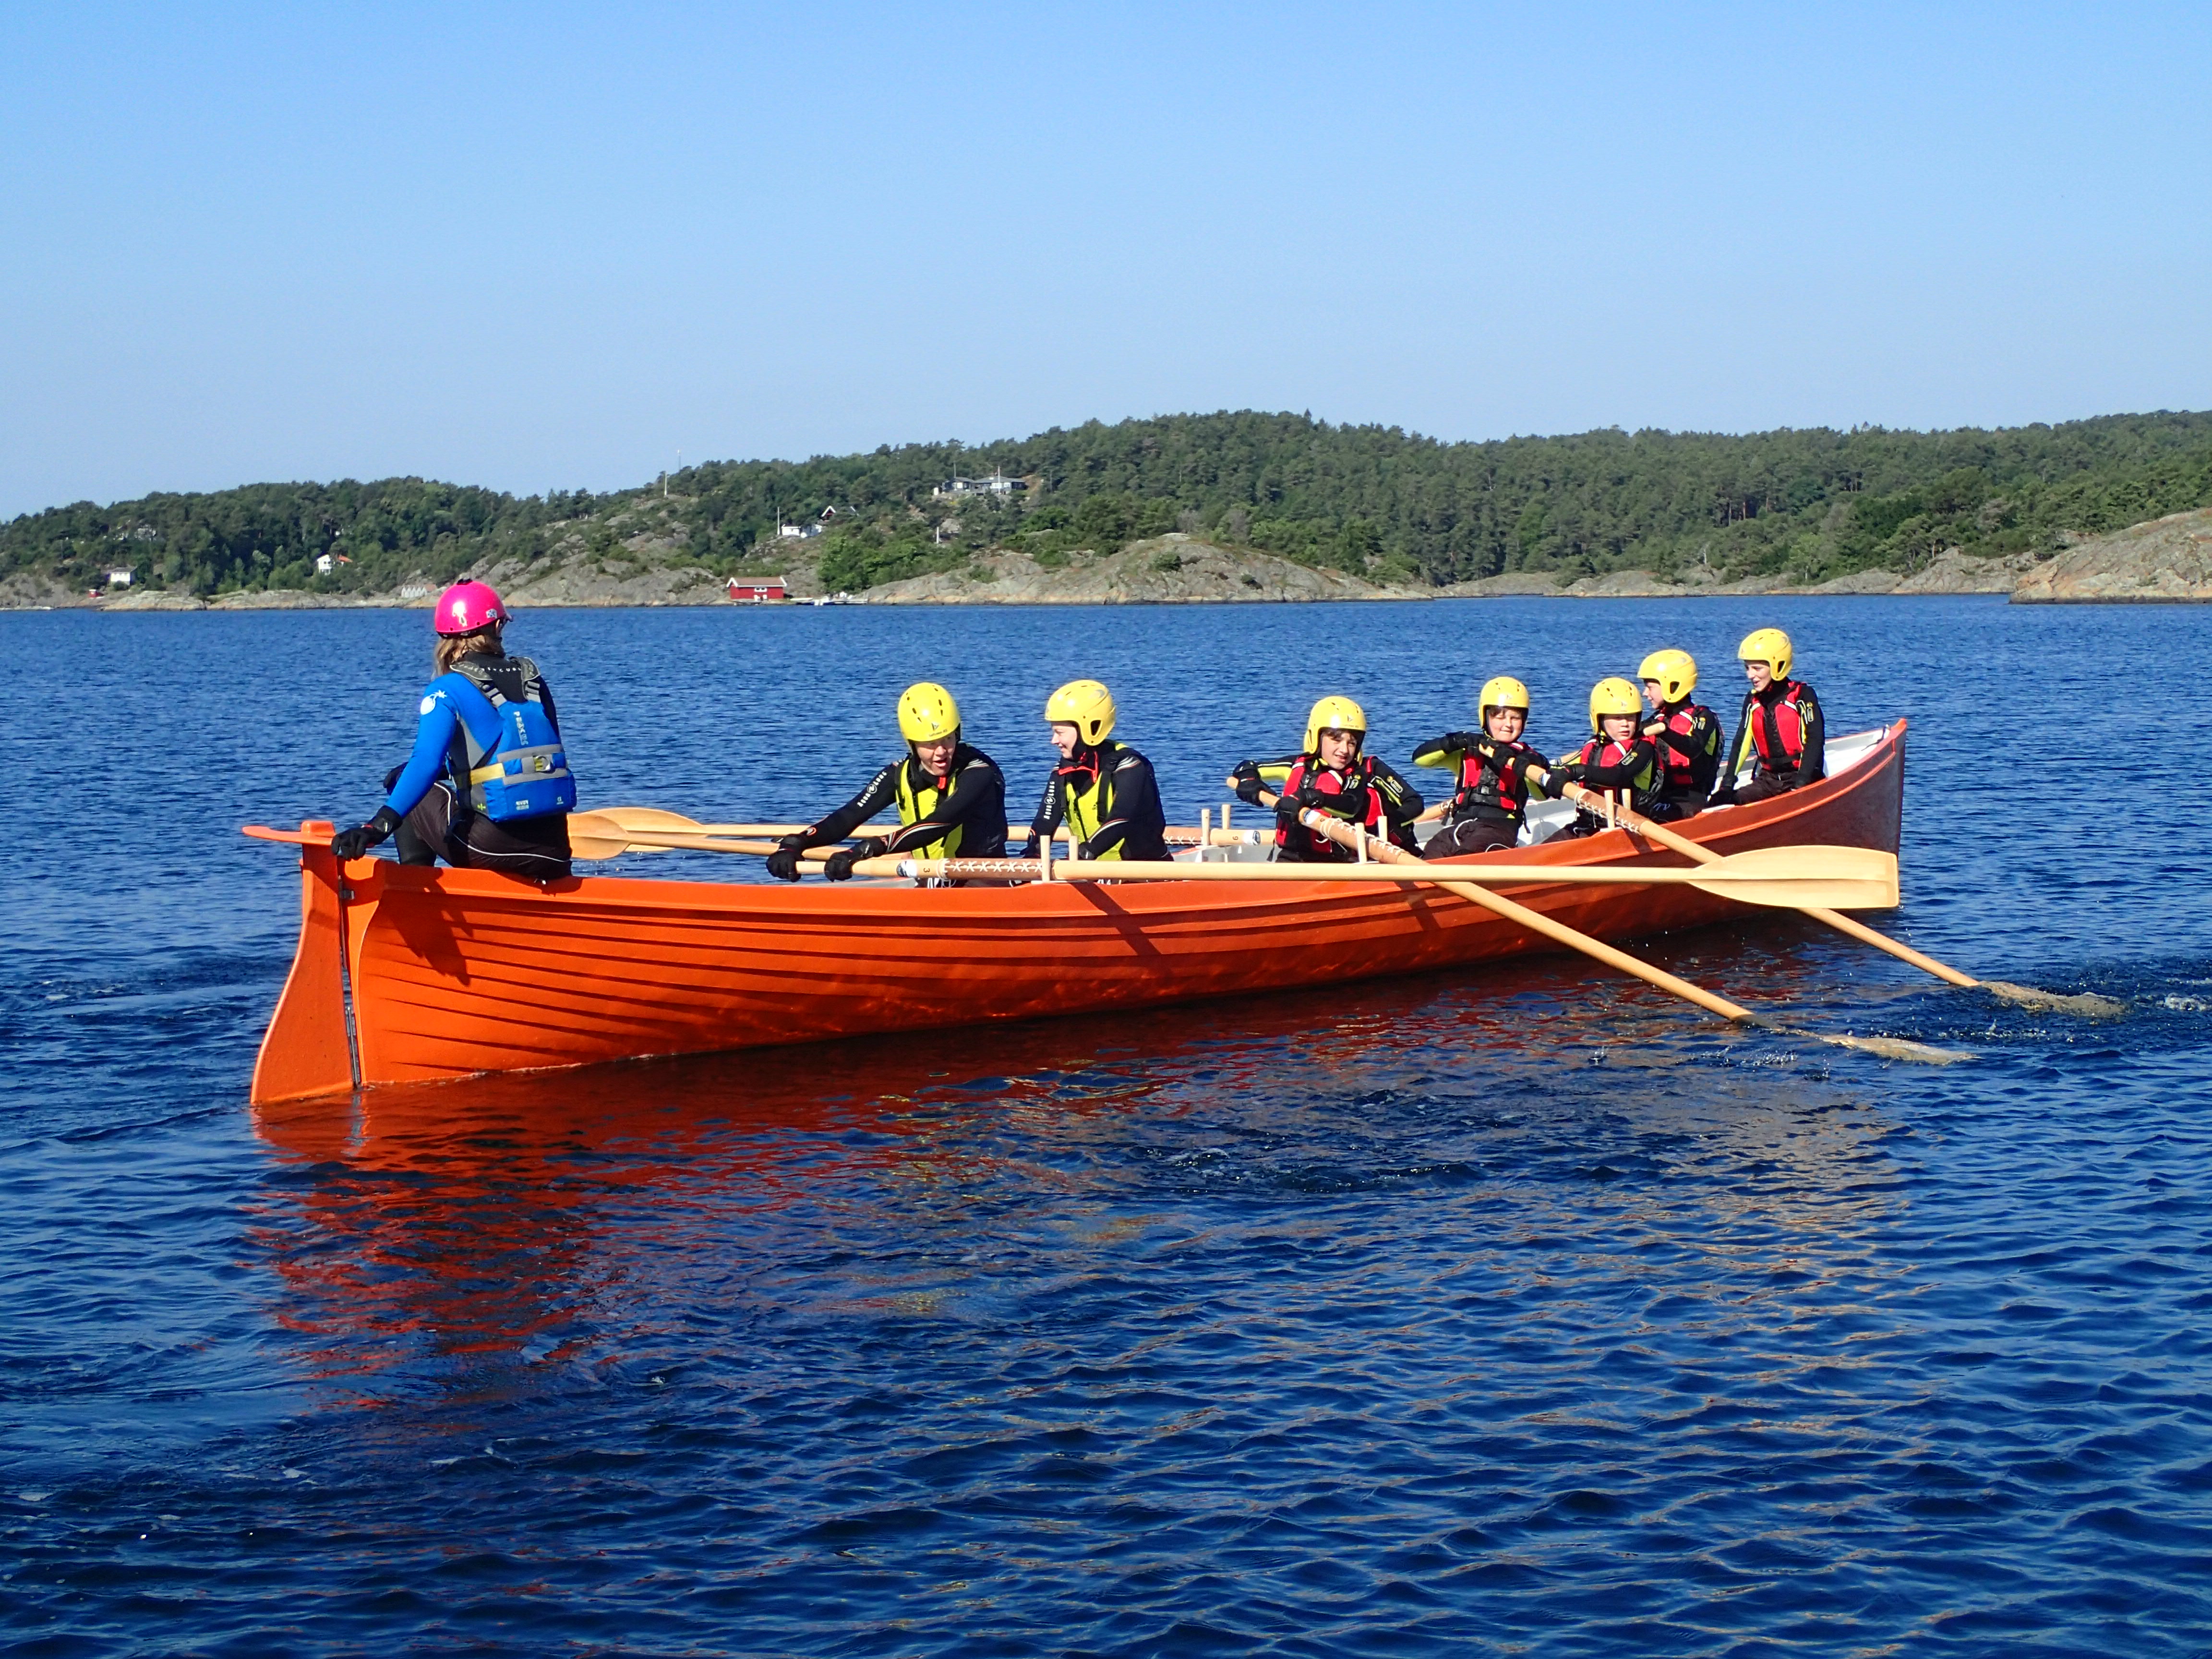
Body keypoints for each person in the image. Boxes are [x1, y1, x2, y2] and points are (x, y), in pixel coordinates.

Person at [330, 581, 575, 880]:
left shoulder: (445, 689)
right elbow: (520, 754)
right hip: (556, 852)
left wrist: (375, 828)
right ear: (497, 625)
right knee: (419, 777)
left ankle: (417, 896)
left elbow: (426, 764)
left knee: (403, 780)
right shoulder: (534, 682)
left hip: (493, 852)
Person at [767, 681, 1007, 881]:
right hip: (931, 881)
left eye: (948, 739)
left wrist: (866, 849)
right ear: (911, 743)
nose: (941, 752)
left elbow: (937, 824)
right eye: (930, 744)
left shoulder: (979, 773)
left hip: (981, 881)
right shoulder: (899, 774)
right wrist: (796, 842)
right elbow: (847, 817)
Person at [1230, 695, 1424, 863]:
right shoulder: (1298, 765)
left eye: (1352, 743)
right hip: (1294, 858)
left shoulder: (1363, 772)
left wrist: (1387, 826)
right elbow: (1247, 767)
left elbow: (1351, 805)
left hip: (1346, 861)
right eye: (1336, 740)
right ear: (1317, 737)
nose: (1344, 750)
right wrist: (1249, 781)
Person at [1027, 679, 1168, 863]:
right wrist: (1031, 857)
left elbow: (1121, 818)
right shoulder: (1062, 771)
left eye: (1060, 732)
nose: (1054, 740)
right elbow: (1045, 822)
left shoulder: (1130, 766)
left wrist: (1082, 854)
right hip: (1093, 873)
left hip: (1143, 874)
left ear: (1089, 728)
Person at [1409, 675, 1551, 856]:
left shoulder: (1526, 758)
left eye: (1515, 718)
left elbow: (1542, 794)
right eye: (1499, 716)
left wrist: (1524, 764)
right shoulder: (1467, 751)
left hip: (1498, 829)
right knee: (1431, 854)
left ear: (1524, 721)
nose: (1508, 724)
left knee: (1467, 855)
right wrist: (1456, 741)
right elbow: (1419, 759)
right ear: (1485, 717)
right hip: (1460, 826)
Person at [1713, 627, 1825, 805]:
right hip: (1768, 781)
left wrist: (1801, 784)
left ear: (1778, 666)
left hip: (1802, 778)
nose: (1751, 675)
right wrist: (1726, 786)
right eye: (1747, 668)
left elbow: (1815, 739)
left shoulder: (1802, 695)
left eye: (1757, 668)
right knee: (1719, 803)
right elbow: (1741, 743)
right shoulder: (1752, 701)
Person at [1553, 677, 1660, 837]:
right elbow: (1559, 767)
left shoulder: (1643, 748)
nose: (1625, 724)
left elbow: (1619, 774)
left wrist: (1576, 772)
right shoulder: (1594, 746)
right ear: (1600, 719)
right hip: (1588, 825)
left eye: (1631, 717)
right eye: (1617, 718)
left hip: (1628, 826)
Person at [1635, 648, 1724, 820]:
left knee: (1659, 816)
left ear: (1673, 685)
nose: (1645, 693)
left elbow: (1694, 747)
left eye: (1650, 687)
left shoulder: (1703, 717)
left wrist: (1664, 731)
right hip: (1659, 797)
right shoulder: (1657, 719)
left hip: (1690, 800)